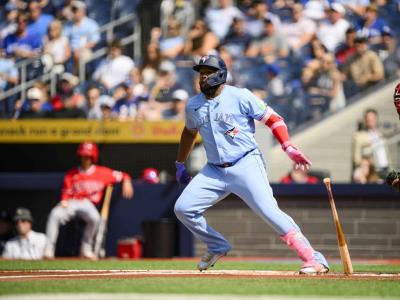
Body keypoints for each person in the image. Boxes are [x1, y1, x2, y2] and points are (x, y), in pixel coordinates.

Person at [173, 55, 329, 275]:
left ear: (220, 74)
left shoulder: (240, 96)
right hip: (214, 169)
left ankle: (314, 258)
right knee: (183, 208)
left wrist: (288, 146)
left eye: (207, 72)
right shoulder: (193, 105)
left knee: (269, 211)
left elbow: (274, 119)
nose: (203, 77)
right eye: (201, 73)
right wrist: (180, 163)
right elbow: (189, 132)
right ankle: (217, 245)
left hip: (245, 162)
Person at [44, 141, 134, 259]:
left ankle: (85, 249)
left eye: (88, 156)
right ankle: (48, 249)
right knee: (55, 214)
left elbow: (124, 175)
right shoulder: (72, 174)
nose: (85, 159)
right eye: (83, 156)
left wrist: (127, 181)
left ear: (93, 157)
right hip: (72, 202)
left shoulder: (103, 172)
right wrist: (64, 200)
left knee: (95, 218)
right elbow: (66, 192)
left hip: (88, 204)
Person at [352, 108, 390, 179]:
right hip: (372, 172)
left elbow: (387, 155)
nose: (370, 121)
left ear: (376, 119)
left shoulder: (381, 135)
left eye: (372, 118)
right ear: (365, 120)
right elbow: (356, 158)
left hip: (386, 169)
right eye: (368, 119)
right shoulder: (359, 136)